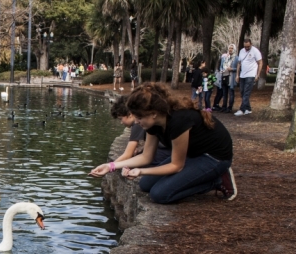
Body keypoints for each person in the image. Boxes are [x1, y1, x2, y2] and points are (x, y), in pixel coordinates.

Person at [90, 82, 237, 203]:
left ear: (153, 113)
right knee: (145, 184)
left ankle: (217, 180)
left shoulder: (178, 121)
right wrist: (110, 166)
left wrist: (141, 171)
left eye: (139, 117)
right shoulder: (153, 124)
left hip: (214, 157)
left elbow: (176, 166)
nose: (136, 121)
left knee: (160, 194)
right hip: (193, 154)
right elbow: (146, 157)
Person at [89, 96, 172, 178]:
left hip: (165, 153)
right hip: (162, 151)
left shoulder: (138, 125)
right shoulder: (141, 123)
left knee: (133, 166)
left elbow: (128, 154)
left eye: (120, 119)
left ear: (130, 114)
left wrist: (110, 166)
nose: (121, 123)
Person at [234, 38, 262, 116]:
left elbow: (260, 62)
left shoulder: (255, 51)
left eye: (248, 46)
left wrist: (258, 74)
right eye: (245, 46)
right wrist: (237, 74)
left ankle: (242, 109)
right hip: (243, 74)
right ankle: (248, 108)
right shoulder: (241, 51)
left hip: (251, 74)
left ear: (251, 44)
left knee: (246, 92)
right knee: (242, 91)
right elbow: (239, 63)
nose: (246, 48)